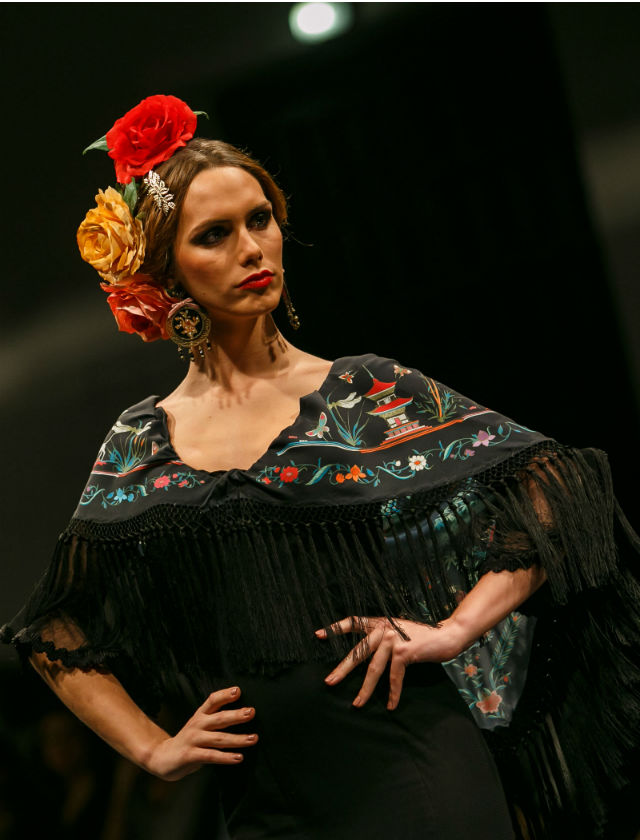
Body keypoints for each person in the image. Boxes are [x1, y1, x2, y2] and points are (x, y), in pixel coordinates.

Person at [2, 94, 639, 840]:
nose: (252, 248)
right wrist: (153, 748)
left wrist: (454, 630)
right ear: (165, 270)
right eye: (214, 235)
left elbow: (557, 488)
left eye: (260, 219)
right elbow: (56, 627)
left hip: (415, 770)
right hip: (267, 801)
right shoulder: (143, 440)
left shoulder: (362, 391)